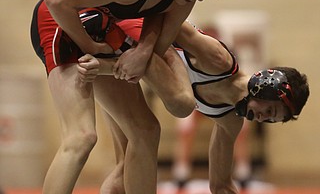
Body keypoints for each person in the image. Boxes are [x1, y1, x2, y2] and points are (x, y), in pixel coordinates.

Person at [30, 0, 234, 193]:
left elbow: (154, 48)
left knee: (146, 130)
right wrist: (92, 49)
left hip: (102, 27)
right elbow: (56, 1)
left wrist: (142, 51)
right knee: (81, 137)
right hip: (59, 23)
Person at [77, 17, 309, 194]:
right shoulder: (218, 59)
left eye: (269, 119)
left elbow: (221, 186)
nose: (260, 118)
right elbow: (164, 15)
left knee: (124, 170)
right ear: (266, 85)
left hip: (116, 66)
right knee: (178, 108)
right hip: (118, 35)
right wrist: (142, 50)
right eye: (268, 111)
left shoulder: (230, 121)